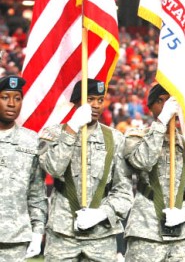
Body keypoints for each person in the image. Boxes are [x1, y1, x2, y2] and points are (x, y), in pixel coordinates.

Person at [39, 78, 133, 261]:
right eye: (90, 99)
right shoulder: (53, 134)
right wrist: (72, 129)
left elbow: (124, 190)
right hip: (62, 234)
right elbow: (54, 168)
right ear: (76, 102)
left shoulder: (114, 138)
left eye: (100, 99)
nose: (96, 105)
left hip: (101, 236)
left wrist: (102, 213)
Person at [123, 84, 185, 261]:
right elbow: (142, 161)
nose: (166, 105)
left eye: (171, 101)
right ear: (150, 107)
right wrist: (162, 121)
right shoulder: (136, 137)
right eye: (160, 101)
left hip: (182, 234)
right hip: (145, 230)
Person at [0, 75, 47, 261]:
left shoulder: (32, 141)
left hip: (16, 238)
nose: (12, 103)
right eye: (5, 97)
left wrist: (37, 232)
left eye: (17, 98)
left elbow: (36, 193)